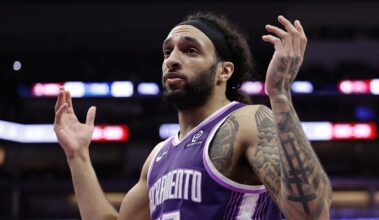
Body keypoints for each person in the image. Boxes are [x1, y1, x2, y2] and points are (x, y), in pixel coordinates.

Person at [54, 12, 332, 220]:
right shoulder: (157, 157)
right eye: (167, 51)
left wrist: (280, 93)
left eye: (190, 50)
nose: (172, 59)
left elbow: (312, 214)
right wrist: (77, 155)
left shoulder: (246, 122)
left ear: (224, 70)